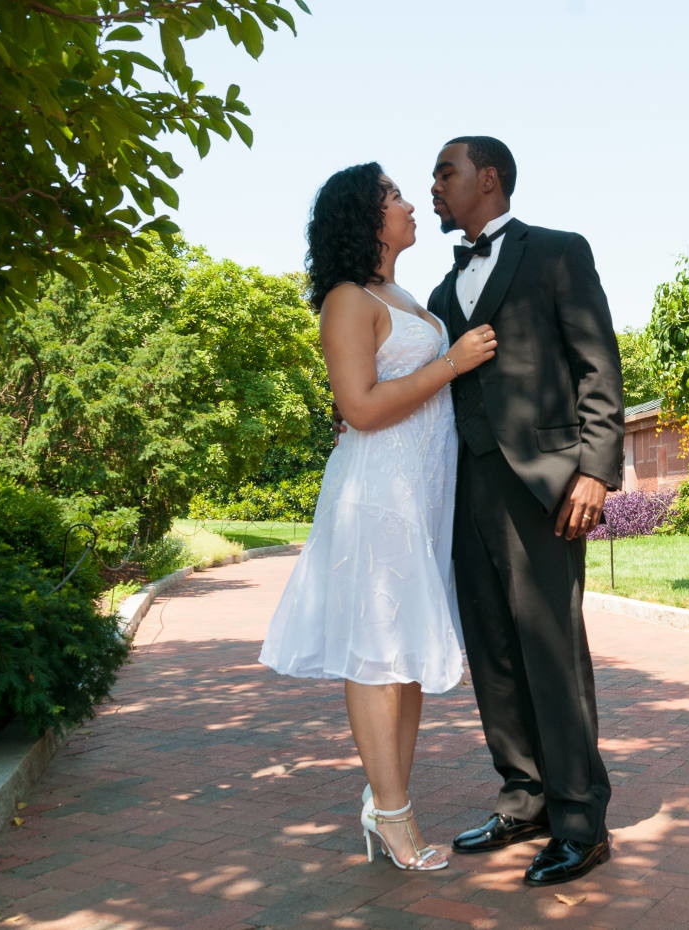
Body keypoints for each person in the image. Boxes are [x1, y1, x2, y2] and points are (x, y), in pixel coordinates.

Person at [259, 162, 497, 872]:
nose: (410, 204)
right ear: (367, 217)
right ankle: (393, 816)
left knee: (409, 659)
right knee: (376, 653)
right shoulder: (346, 299)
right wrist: (451, 363)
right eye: (394, 196)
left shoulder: (400, 294)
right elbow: (358, 408)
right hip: (379, 495)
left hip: (420, 496)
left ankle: (383, 798)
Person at [425, 136, 625, 886]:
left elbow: (597, 364)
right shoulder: (442, 294)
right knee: (493, 651)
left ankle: (580, 820)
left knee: (549, 651)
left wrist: (595, 472)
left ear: (489, 178)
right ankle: (524, 797)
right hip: (464, 489)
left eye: (444, 172)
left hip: (545, 485)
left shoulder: (557, 253)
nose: (435, 185)